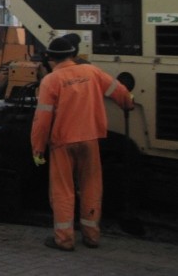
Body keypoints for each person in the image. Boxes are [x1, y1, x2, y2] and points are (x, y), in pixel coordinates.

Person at [31, 35, 134, 251]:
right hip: (89, 139)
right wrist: (128, 102)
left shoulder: (51, 81)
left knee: (63, 191)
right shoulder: (91, 72)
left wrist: (38, 148)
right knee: (91, 187)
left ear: (50, 58)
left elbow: (42, 121)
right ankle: (92, 236)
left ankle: (65, 239)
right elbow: (120, 91)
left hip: (62, 143)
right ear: (73, 54)